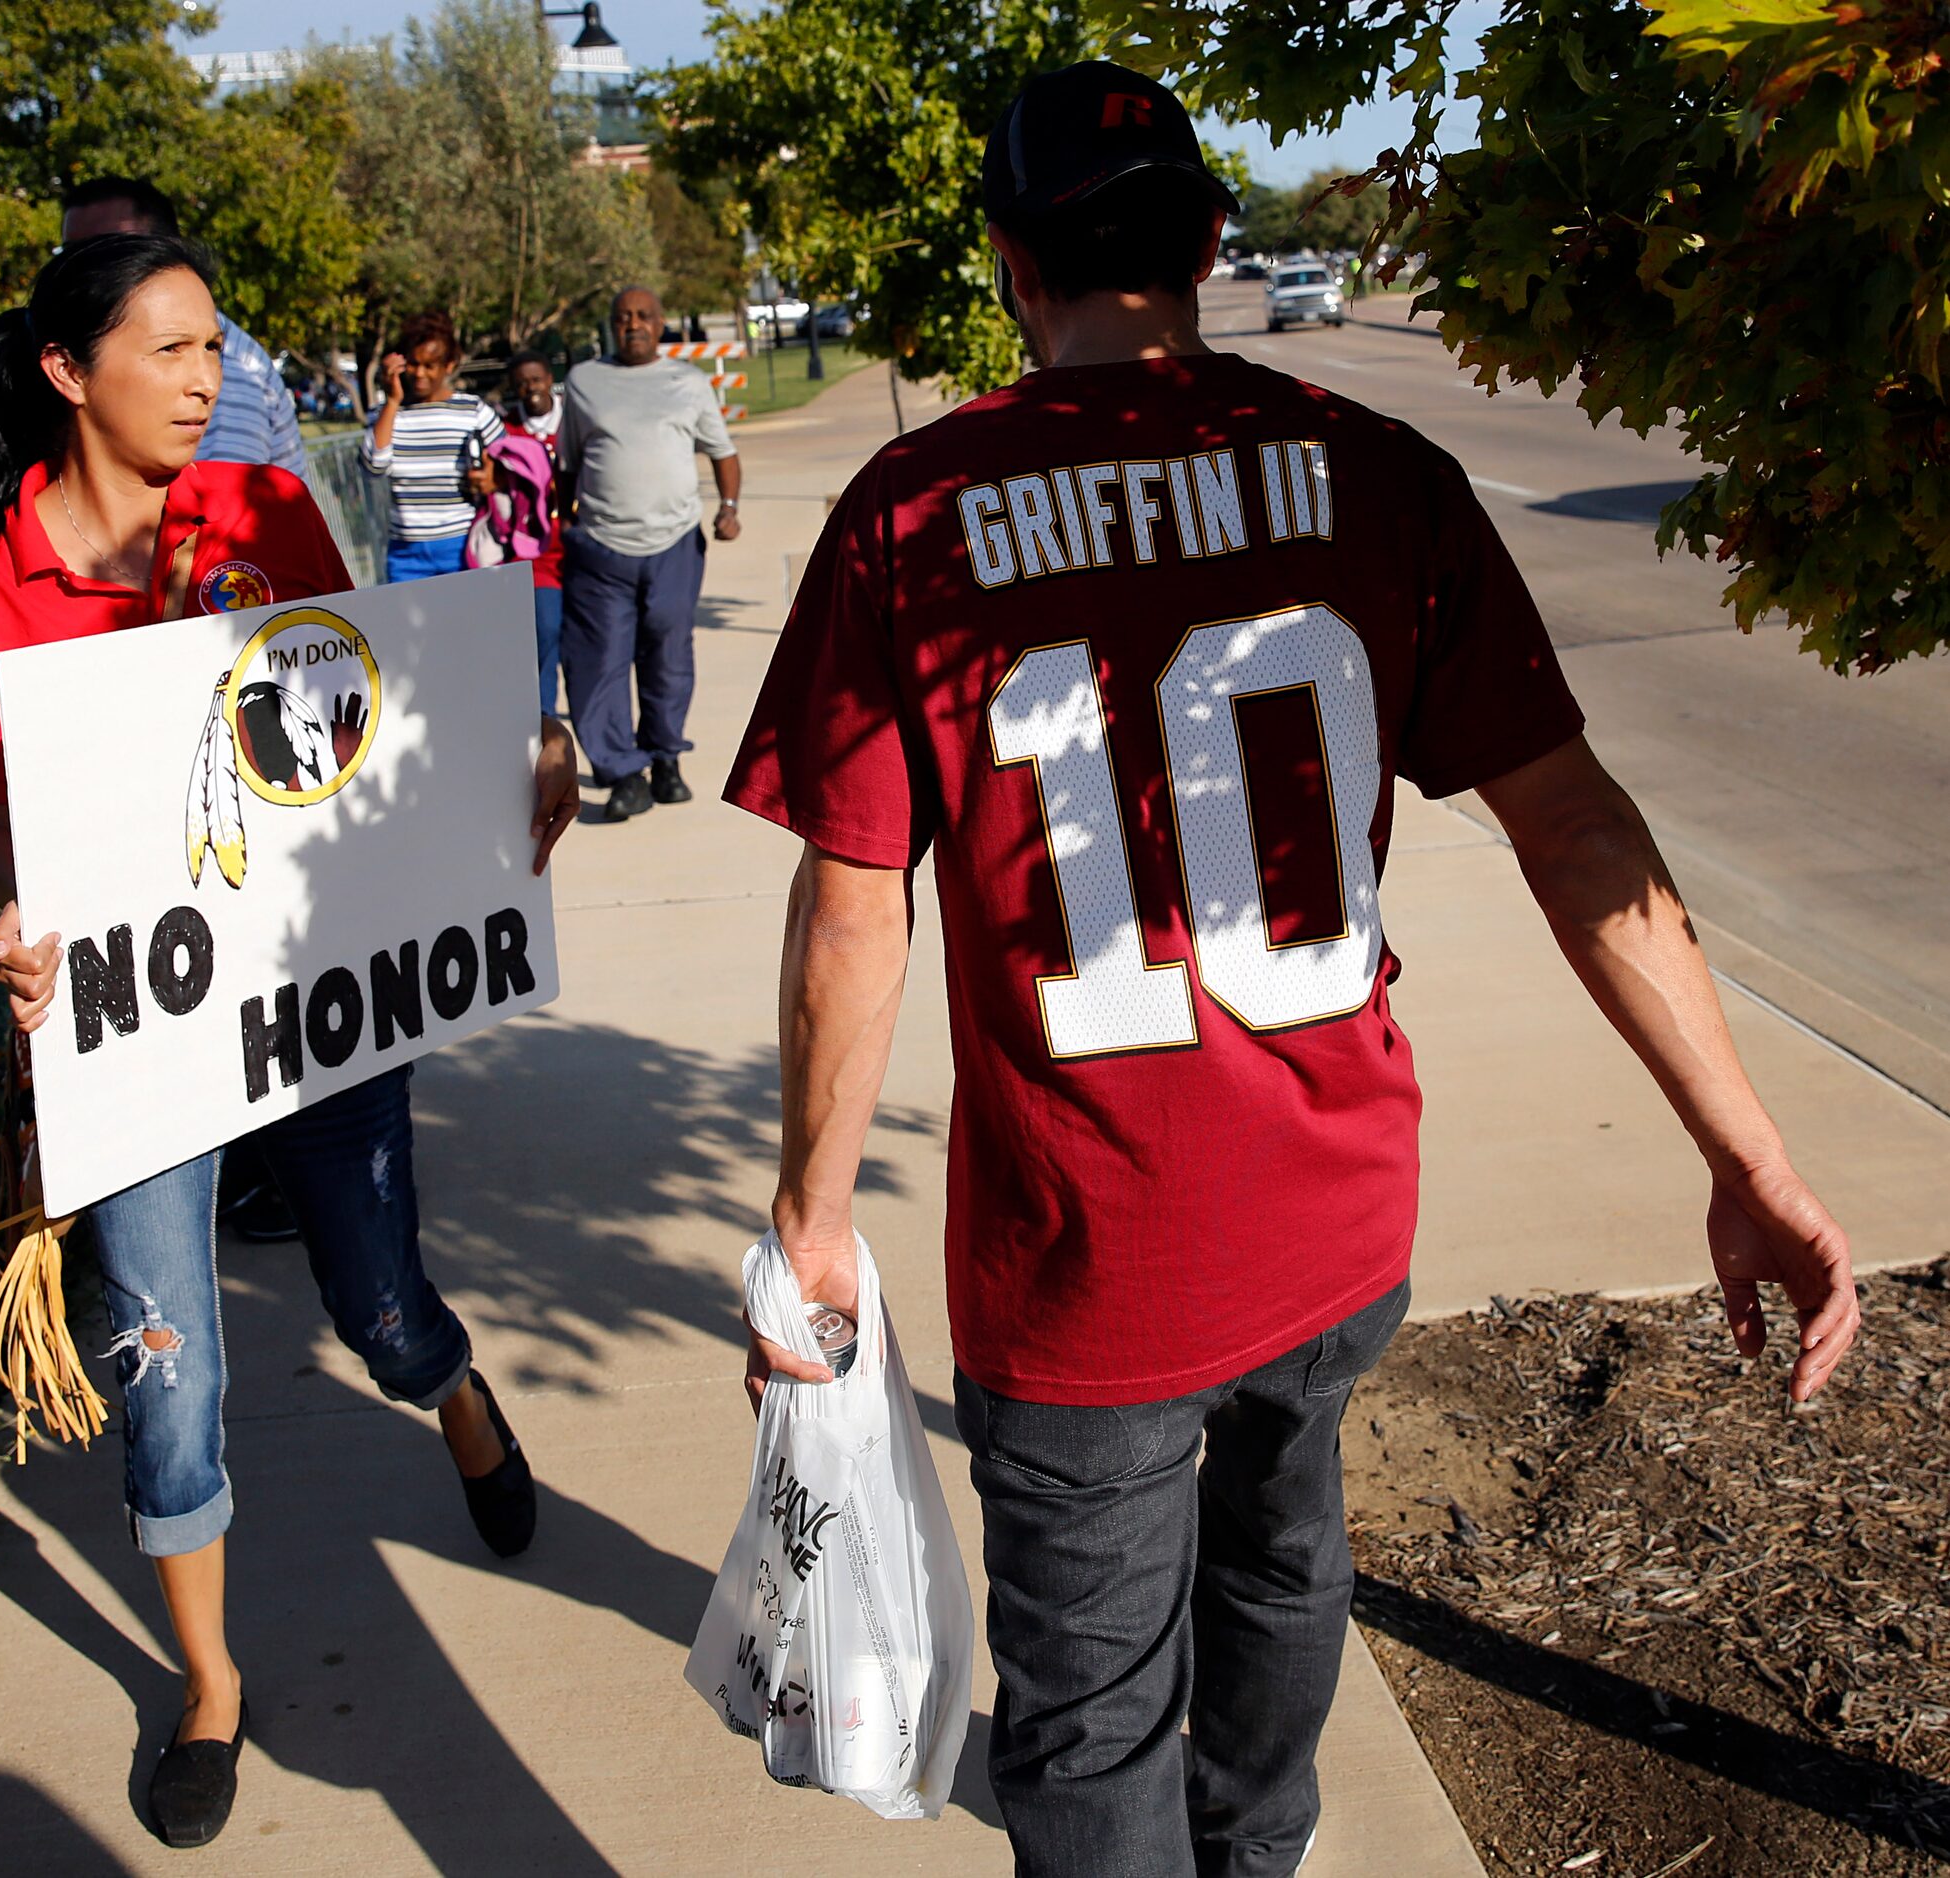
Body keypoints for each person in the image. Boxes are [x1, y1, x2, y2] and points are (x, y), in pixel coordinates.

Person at [726, 61, 1859, 1878]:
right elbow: (1578, 835)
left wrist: (811, 1208)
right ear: (1207, 238)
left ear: (1014, 265)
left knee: (1092, 1719)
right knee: (1281, 1540)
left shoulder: (914, 514)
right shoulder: (1378, 473)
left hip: (1090, 1260)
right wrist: (1750, 1153)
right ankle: (1261, 1845)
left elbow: (861, 902)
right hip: (1337, 1215)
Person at [0, 235, 581, 1850]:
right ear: (70, 370)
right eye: (173, 349)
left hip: (315, 992)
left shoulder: (266, 515)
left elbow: (379, 725)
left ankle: (452, 1385)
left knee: (375, 1299)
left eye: (218, 347)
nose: (213, 379)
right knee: (167, 1352)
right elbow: (3, 847)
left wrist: (513, 784)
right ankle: (209, 1680)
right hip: (136, 1039)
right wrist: (18, 933)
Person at [61, 174, 309, 1245]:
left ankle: (271, 1146)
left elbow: (284, 489)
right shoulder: (57, 369)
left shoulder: (240, 371)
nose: (196, 381)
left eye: (201, 353)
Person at [557, 285, 741, 823]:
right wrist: (568, 527)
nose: (631, 324)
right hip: (600, 550)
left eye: (642, 316)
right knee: (599, 664)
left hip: (674, 545)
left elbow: (722, 452)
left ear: (660, 324)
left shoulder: (687, 382)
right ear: (611, 326)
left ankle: (664, 759)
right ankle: (621, 774)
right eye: (621, 317)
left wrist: (728, 507)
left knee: (668, 655)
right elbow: (566, 466)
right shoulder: (584, 381)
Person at [61, 177, 308, 484]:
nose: (79, 272)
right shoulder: (63, 344)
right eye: (69, 254)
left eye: (108, 253)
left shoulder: (237, 369)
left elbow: (218, 514)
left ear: (165, 252)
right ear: (64, 371)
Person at [360, 310, 503, 585]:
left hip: (463, 548)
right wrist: (391, 401)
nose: (420, 374)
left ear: (449, 365)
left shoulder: (473, 410)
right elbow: (373, 466)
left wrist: (490, 479)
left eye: (430, 365)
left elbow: (511, 467)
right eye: (413, 364)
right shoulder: (385, 414)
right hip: (405, 553)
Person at [505, 349, 566, 715]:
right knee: (545, 631)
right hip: (535, 553)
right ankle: (545, 717)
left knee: (583, 643)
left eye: (537, 380)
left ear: (549, 379)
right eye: (522, 383)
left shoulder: (574, 419)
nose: (531, 388)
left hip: (582, 546)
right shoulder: (507, 428)